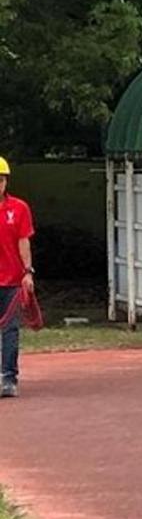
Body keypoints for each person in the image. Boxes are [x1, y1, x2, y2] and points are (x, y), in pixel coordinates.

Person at [0, 157, 34, 399]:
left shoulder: (19, 208)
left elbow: (23, 241)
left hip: (12, 280)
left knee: (10, 331)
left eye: (0, 180)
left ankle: (8, 378)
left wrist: (28, 271)